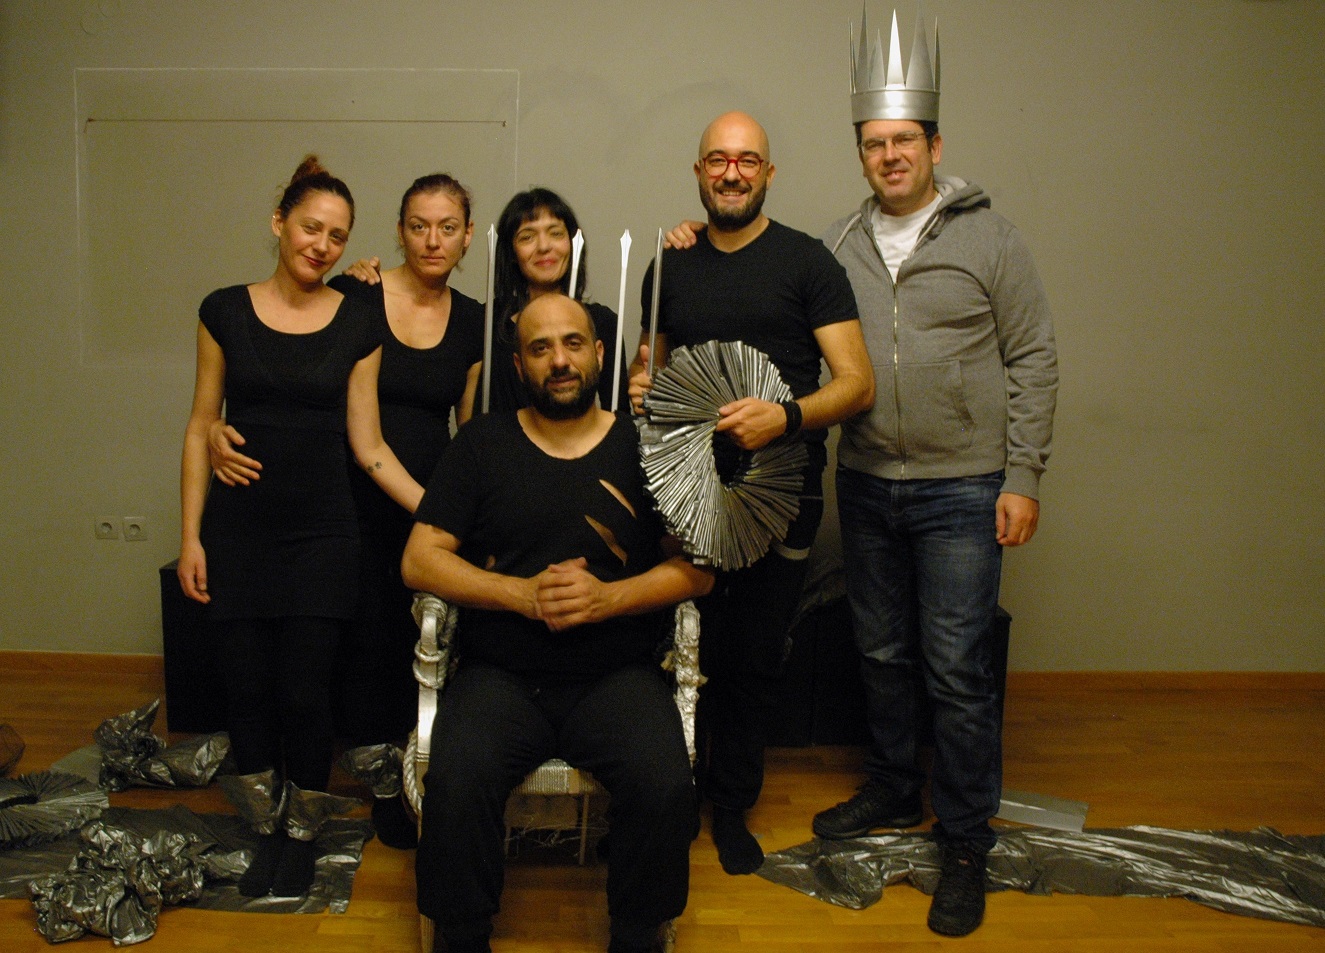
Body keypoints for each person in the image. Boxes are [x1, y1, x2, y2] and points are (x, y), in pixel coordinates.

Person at [811, 11, 1059, 938]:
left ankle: (962, 837)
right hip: (866, 478)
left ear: (933, 145)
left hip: (963, 486)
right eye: (874, 143)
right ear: (861, 152)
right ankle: (890, 784)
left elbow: (1033, 357)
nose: (889, 156)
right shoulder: (838, 244)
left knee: (956, 666)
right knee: (879, 651)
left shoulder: (991, 240)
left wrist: (1022, 475)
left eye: (903, 141)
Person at [401, 293, 712, 953]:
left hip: (615, 675)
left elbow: (698, 571)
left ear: (598, 353)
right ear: (519, 366)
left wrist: (607, 599)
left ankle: (638, 935)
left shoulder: (648, 447)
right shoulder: (481, 445)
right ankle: (461, 936)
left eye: (572, 343)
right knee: (455, 780)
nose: (559, 360)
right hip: (500, 675)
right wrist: (516, 594)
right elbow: (419, 559)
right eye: (540, 348)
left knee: (664, 784)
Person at [628, 111, 874, 876]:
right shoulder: (671, 264)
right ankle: (669, 794)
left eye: (745, 161)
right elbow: (649, 369)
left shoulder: (807, 263)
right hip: (684, 490)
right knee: (674, 646)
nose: (730, 173)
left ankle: (730, 804)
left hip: (781, 493)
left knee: (753, 655)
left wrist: (786, 417)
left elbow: (858, 383)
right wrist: (640, 381)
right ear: (698, 171)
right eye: (716, 160)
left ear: (767, 173)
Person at [208, 173, 485, 849]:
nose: (432, 239)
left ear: (467, 237)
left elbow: (473, 428)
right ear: (399, 231)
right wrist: (218, 426)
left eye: (447, 227)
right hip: (342, 499)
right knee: (349, 648)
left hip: (422, 502)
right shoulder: (355, 292)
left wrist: (456, 512)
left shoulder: (476, 319)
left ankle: (407, 780)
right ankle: (359, 781)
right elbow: (292, 370)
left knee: (415, 643)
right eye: (418, 225)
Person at [178, 155, 420, 897]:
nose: (322, 245)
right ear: (279, 222)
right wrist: (190, 537)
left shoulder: (359, 319)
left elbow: (369, 445)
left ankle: (302, 835)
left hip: (323, 534)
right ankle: (263, 828)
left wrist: (441, 512)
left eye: (337, 236)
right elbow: (200, 425)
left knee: (307, 694)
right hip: (238, 532)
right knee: (246, 691)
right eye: (311, 227)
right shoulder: (222, 310)